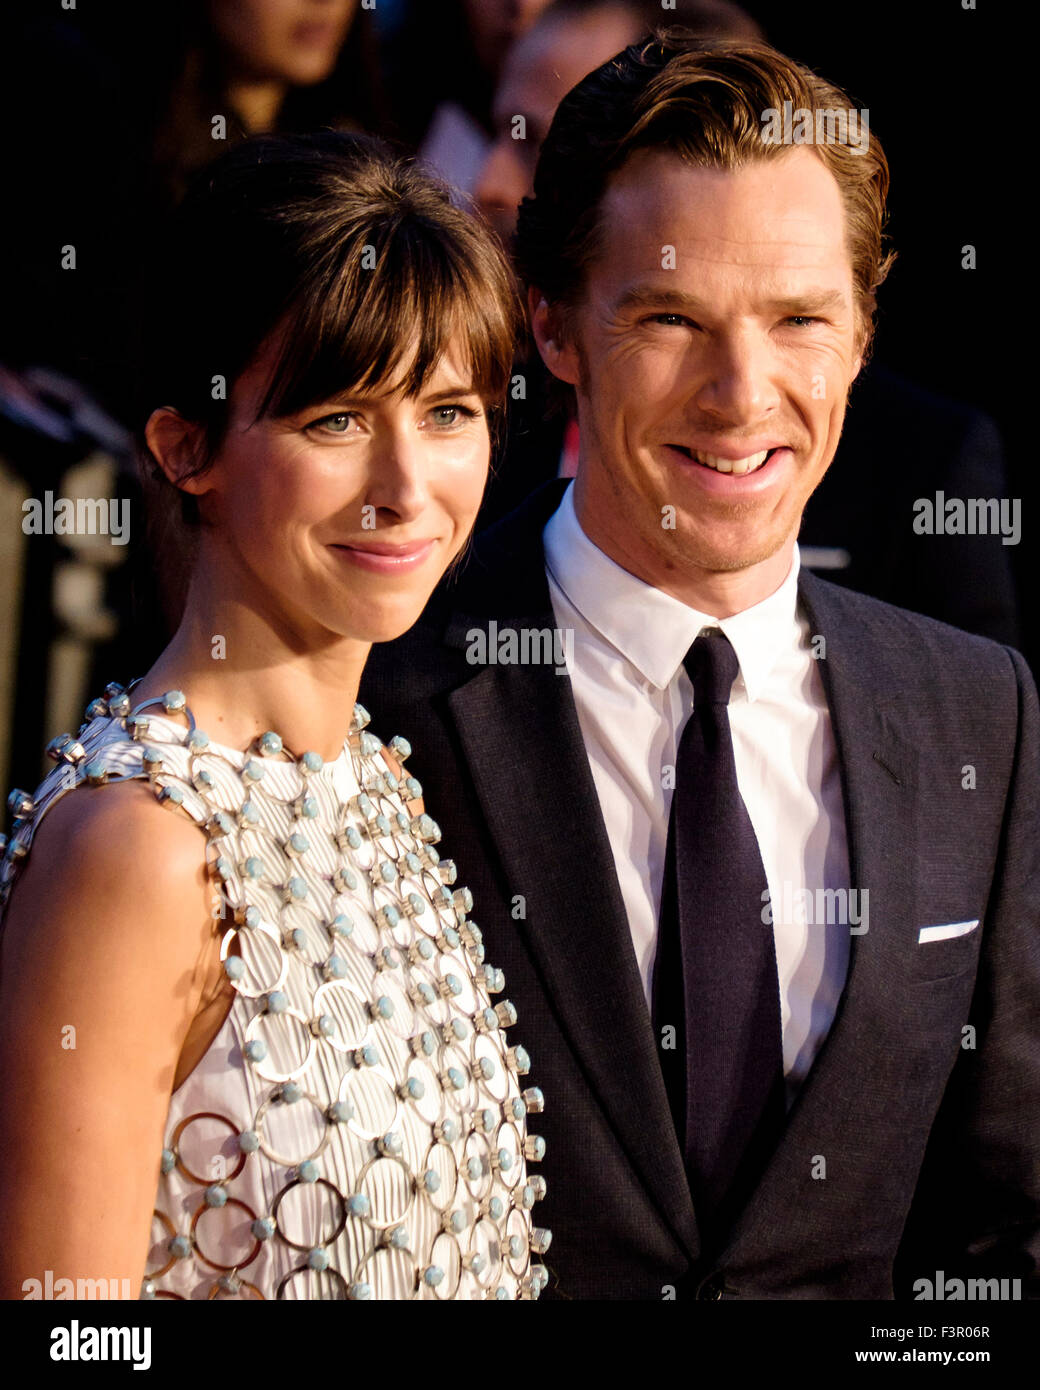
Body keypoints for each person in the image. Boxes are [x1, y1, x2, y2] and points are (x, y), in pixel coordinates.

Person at [361, 38, 1040, 1298]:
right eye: (670, 318)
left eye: (797, 320)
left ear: (861, 332)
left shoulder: (974, 714)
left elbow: (1000, 1223)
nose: (740, 395)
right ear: (552, 327)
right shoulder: (381, 688)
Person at [0, 131, 550, 1301]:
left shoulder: (371, 776)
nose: (407, 485)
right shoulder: (136, 849)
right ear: (184, 447)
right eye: (337, 419)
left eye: (448, 410)